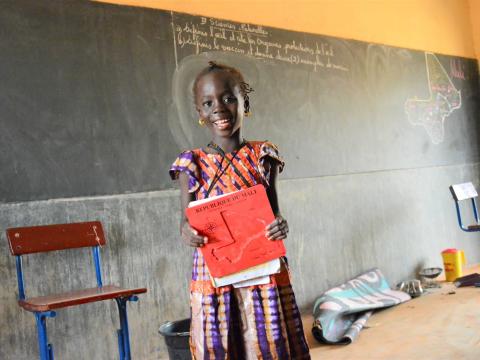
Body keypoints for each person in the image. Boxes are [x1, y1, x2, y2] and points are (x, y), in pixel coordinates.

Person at [170, 61, 310, 359]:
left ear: (245, 103)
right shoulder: (190, 164)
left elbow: (274, 213)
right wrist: (187, 231)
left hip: (260, 272)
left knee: (267, 342)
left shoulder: (262, 155)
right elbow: (186, 221)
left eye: (228, 98)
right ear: (199, 113)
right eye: (208, 103)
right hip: (214, 274)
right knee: (218, 344)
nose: (219, 108)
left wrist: (280, 225)